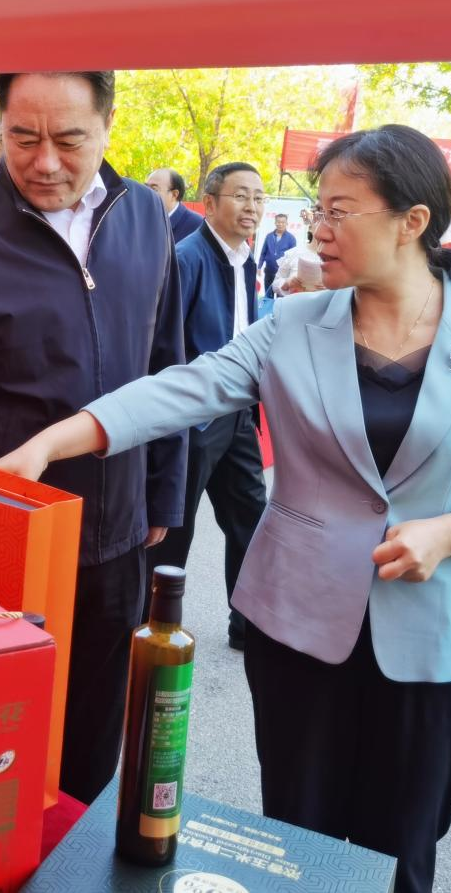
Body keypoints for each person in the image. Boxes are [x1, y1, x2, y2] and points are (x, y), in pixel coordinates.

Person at [0, 125, 451, 893]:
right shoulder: (295, 324)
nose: (316, 229)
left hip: (438, 639)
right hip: (299, 628)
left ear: (413, 221)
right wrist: (50, 443)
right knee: (294, 845)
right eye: (315, 210)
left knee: (403, 849)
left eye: (339, 211)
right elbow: (184, 388)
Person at [0, 71, 187, 805]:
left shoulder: (144, 216)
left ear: (109, 124)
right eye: (23, 137)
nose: (45, 162)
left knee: (92, 739)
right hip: (3, 548)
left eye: (69, 139)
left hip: (118, 531)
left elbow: (167, 368)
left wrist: (163, 493)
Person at [148, 162, 268, 650]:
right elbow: (165, 343)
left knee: (252, 518)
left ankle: (248, 626)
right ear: (211, 203)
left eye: (258, 197)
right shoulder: (188, 258)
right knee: (175, 528)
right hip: (195, 416)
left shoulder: (246, 259)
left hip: (237, 412)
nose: (252, 206)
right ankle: (154, 631)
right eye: (241, 196)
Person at [145, 167, 204, 243]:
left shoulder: (197, 225)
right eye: (145, 187)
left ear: (174, 195)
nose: (146, 193)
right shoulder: (141, 219)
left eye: (154, 189)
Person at [259, 213, 298, 298]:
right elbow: (263, 252)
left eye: (283, 222)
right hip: (269, 271)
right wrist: (259, 267)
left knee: (280, 297)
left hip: (283, 274)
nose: (280, 224)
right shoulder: (269, 236)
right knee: (268, 296)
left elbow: (293, 257)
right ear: (275, 223)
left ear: (286, 223)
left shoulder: (291, 238)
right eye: (278, 222)